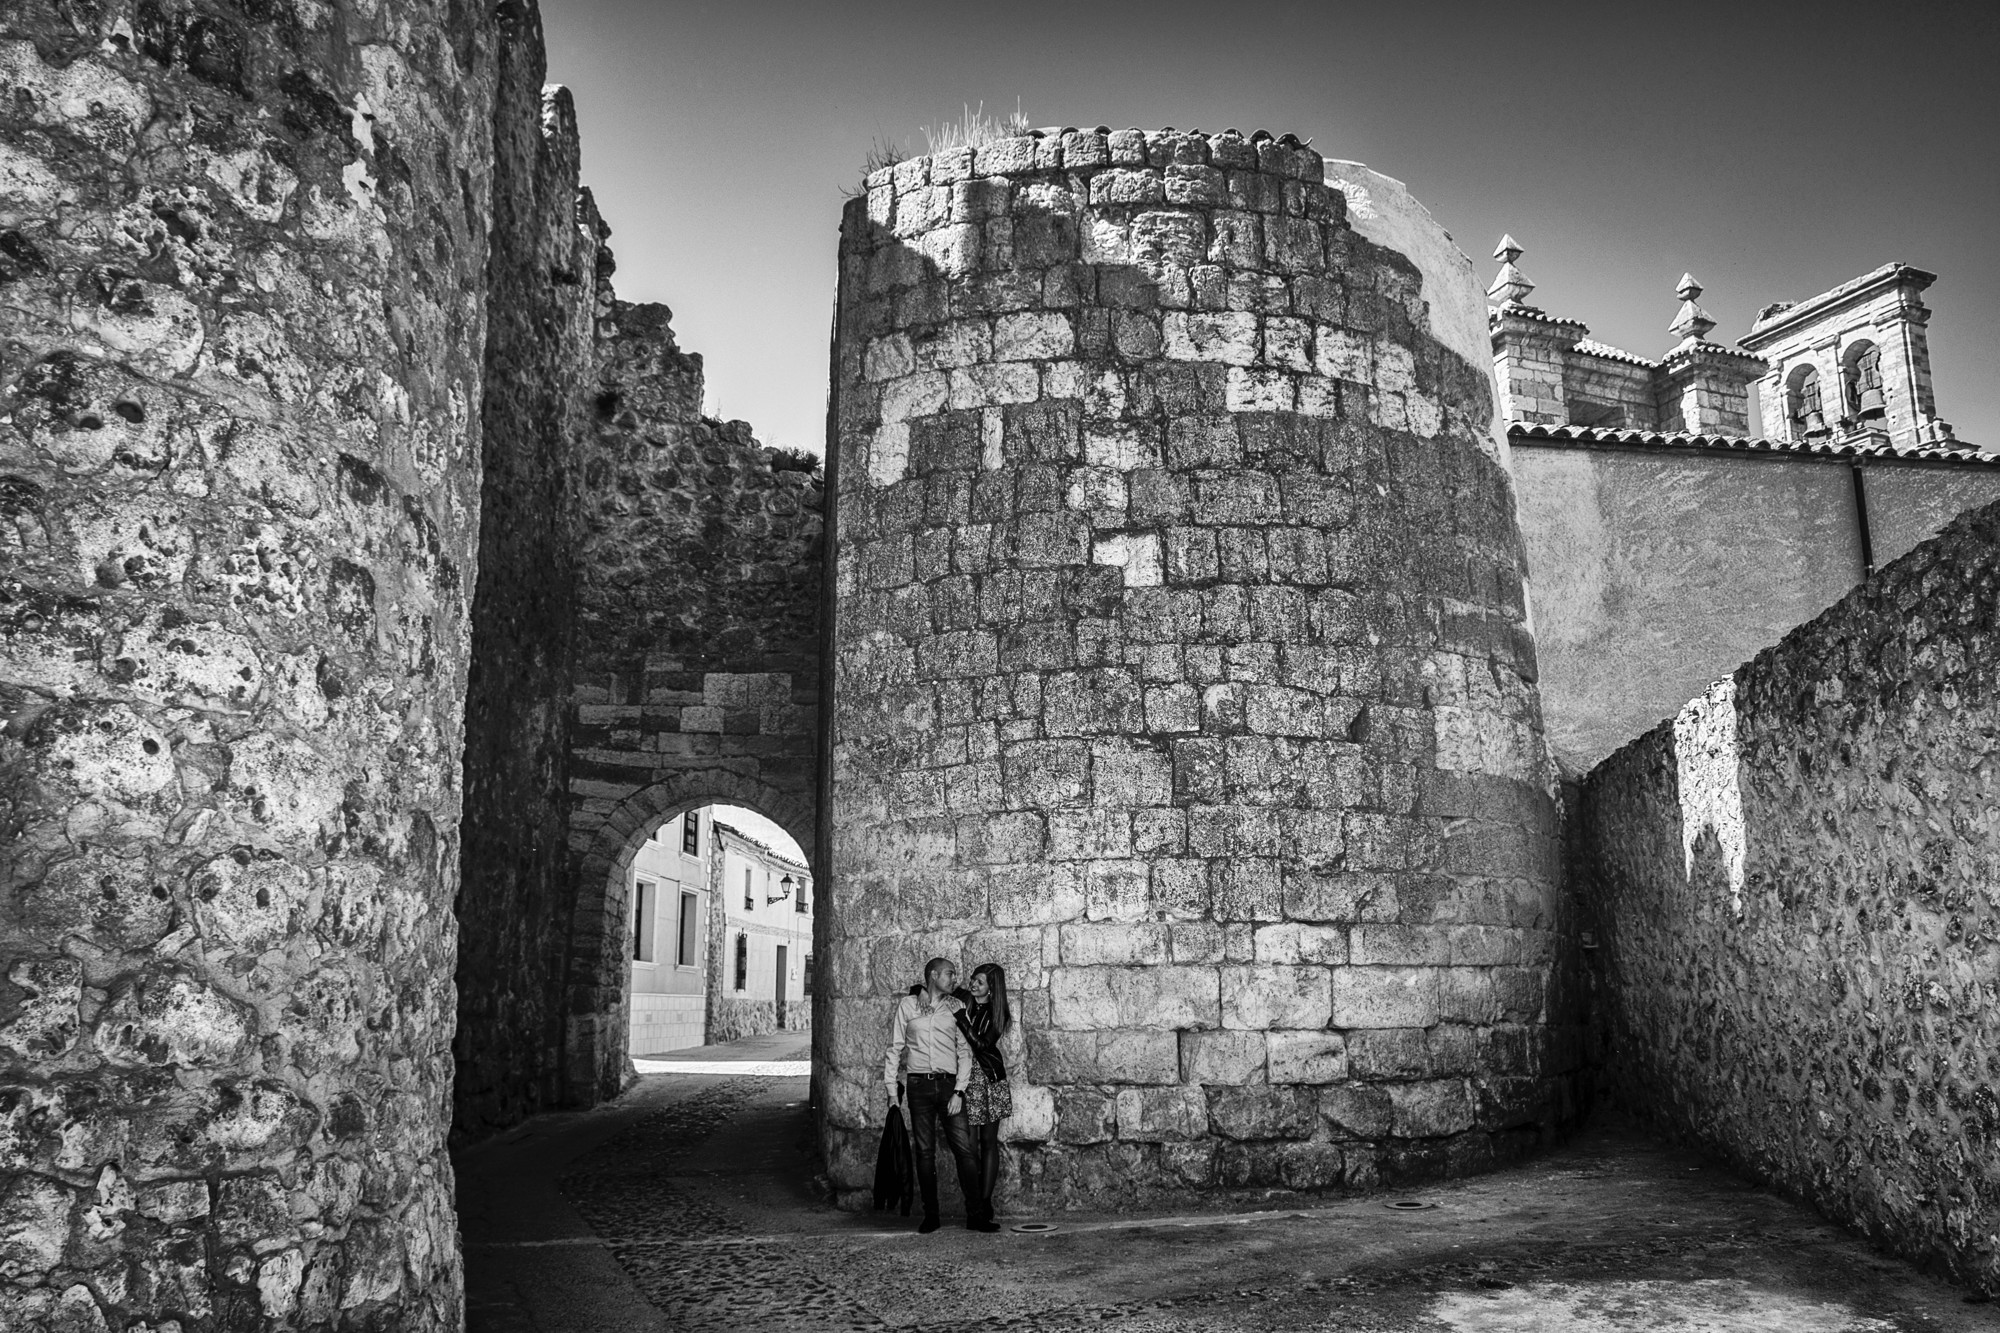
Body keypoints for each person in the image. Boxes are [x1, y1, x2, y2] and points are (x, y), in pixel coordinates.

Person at [881, 957, 991, 1232]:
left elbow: (965, 1052)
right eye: (949, 974)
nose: (955, 979)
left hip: (948, 1087)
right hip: (918, 1087)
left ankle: (976, 1216)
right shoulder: (908, 1005)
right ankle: (931, 1216)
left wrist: (959, 1091)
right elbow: (895, 1049)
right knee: (924, 1153)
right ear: (933, 975)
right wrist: (892, 1092)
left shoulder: (957, 1006)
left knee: (965, 1151)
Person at [953, 963, 1015, 1231]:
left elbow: (980, 1044)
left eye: (979, 981)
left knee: (989, 1142)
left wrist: (962, 1019)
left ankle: (984, 1202)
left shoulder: (998, 1012)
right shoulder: (963, 999)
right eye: (972, 979)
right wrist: (919, 990)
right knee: (969, 1145)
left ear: (991, 987)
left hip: (988, 1078)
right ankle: (976, 1206)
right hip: (966, 1079)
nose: (973, 984)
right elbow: (936, 989)